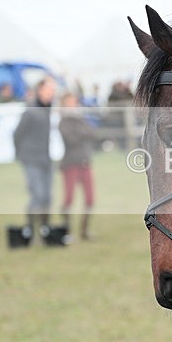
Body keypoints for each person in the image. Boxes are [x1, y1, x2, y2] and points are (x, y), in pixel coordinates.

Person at [13, 77, 56, 240]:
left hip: (45, 159)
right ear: (40, 90)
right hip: (31, 160)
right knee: (36, 196)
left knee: (47, 197)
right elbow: (17, 134)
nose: (51, 93)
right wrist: (21, 155)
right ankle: (29, 229)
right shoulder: (30, 111)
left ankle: (45, 229)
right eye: (48, 90)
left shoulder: (48, 108)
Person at [58, 92, 96, 240]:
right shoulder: (64, 122)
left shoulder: (80, 119)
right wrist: (82, 132)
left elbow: (92, 133)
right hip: (70, 163)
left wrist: (81, 131)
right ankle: (67, 231)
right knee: (68, 199)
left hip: (84, 162)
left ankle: (84, 231)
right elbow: (72, 139)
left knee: (90, 199)